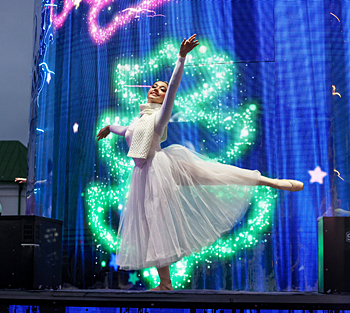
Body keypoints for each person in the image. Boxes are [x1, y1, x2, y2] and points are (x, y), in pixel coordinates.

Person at [96, 34, 303, 291]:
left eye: (160, 89)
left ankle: (271, 182)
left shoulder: (159, 117)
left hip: (162, 166)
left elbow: (172, 88)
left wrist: (181, 58)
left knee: (215, 175)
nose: (156, 89)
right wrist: (108, 127)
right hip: (143, 173)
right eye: (154, 86)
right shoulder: (138, 121)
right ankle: (166, 283)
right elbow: (123, 129)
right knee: (152, 221)